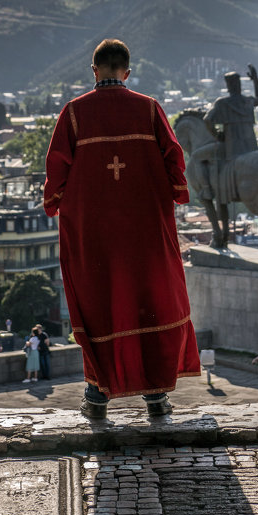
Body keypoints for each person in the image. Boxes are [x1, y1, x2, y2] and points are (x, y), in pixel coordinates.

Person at [44, 38, 200, 419]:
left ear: (94, 71)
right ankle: (156, 397)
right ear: (127, 73)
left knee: (101, 304)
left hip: (93, 231)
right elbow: (174, 159)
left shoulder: (74, 113)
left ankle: (97, 396)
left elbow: (56, 167)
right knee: (152, 300)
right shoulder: (148, 109)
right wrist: (178, 194)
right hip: (146, 228)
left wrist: (54, 202)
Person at [203, 65, 258, 160]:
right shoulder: (248, 101)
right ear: (239, 85)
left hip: (232, 150)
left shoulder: (221, 103)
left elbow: (207, 120)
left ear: (228, 86)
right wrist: (255, 79)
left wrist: (218, 135)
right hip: (251, 147)